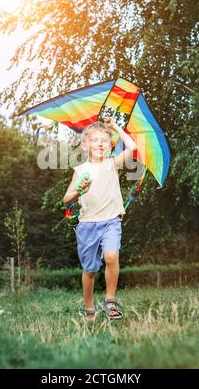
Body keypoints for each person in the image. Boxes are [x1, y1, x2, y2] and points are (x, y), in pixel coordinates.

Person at [63, 117, 137, 322]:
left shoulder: (112, 164)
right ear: (85, 145)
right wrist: (79, 190)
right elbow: (66, 199)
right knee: (90, 269)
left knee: (111, 256)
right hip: (87, 225)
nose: (100, 144)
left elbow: (132, 147)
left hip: (111, 221)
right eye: (95, 140)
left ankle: (110, 300)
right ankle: (89, 308)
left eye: (105, 140)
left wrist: (115, 127)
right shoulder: (80, 170)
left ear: (110, 145)